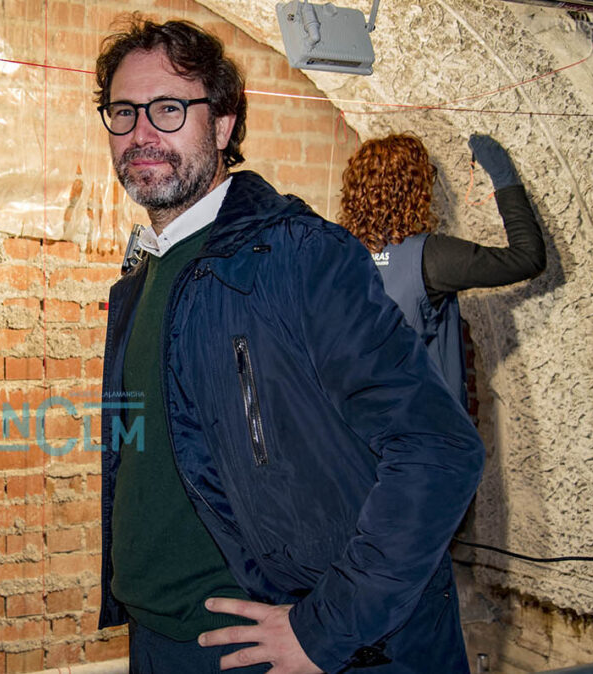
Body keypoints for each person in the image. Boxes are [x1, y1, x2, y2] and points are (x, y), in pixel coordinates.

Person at [94, 16, 485, 673]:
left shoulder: (298, 256)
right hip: (155, 638)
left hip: (265, 646)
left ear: (222, 125)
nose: (141, 133)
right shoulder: (138, 280)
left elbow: (438, 448)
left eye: (168, 109)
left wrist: (326, 628)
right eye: (123, 112)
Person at [338, 133, 546, 406]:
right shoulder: (431, 257)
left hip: (361, 422)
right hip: (427, 423)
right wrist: (503, 176)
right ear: (414, 192)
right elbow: (528, 258)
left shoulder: (338, 258)